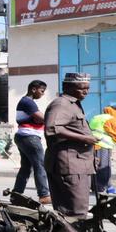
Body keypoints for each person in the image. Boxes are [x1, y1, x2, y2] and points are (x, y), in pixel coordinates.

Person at [45, 73, 97, 219]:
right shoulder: (62, 104)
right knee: (75, 212)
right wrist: (85, 138)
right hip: (69, 165)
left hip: (78, 163)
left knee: (75, 210)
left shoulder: (73, 105)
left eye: (87, 88)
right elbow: (52, 128)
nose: (86, 92)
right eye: (82, 89)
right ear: (67, 87)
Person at [12, 80, 51, 204]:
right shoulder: (28, 102)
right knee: (40, 165)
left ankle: (16, 194)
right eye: (42, 91)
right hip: (30, 138)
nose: (43, 94)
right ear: (33, 89)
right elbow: (42, 118)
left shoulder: (26, 102)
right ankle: (44, 195)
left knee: (26, 168)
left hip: (23, 137)